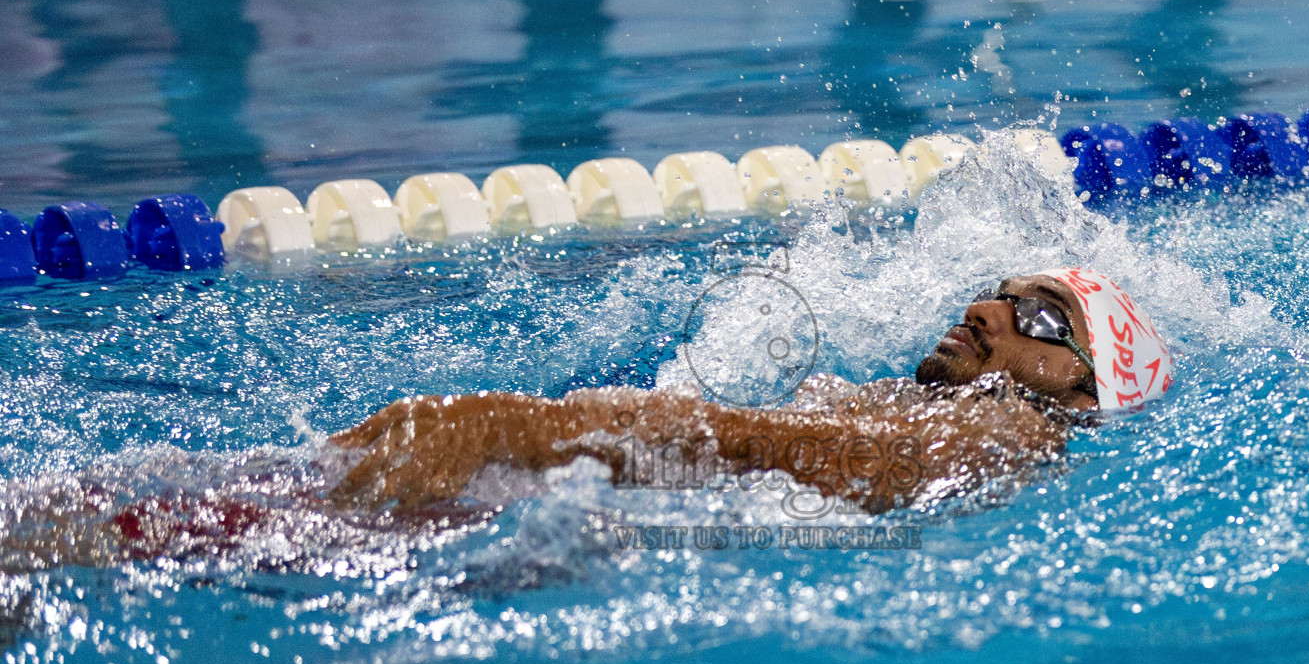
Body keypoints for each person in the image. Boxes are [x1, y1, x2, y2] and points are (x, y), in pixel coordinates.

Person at [327, 267, 1173, 514]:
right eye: (999, 289)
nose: (989, 308)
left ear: (1085, 387)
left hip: (605, 511)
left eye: (1041, 314)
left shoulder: (1021, 430)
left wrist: (542, 430)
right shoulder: (917, 396)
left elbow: (886, 471)